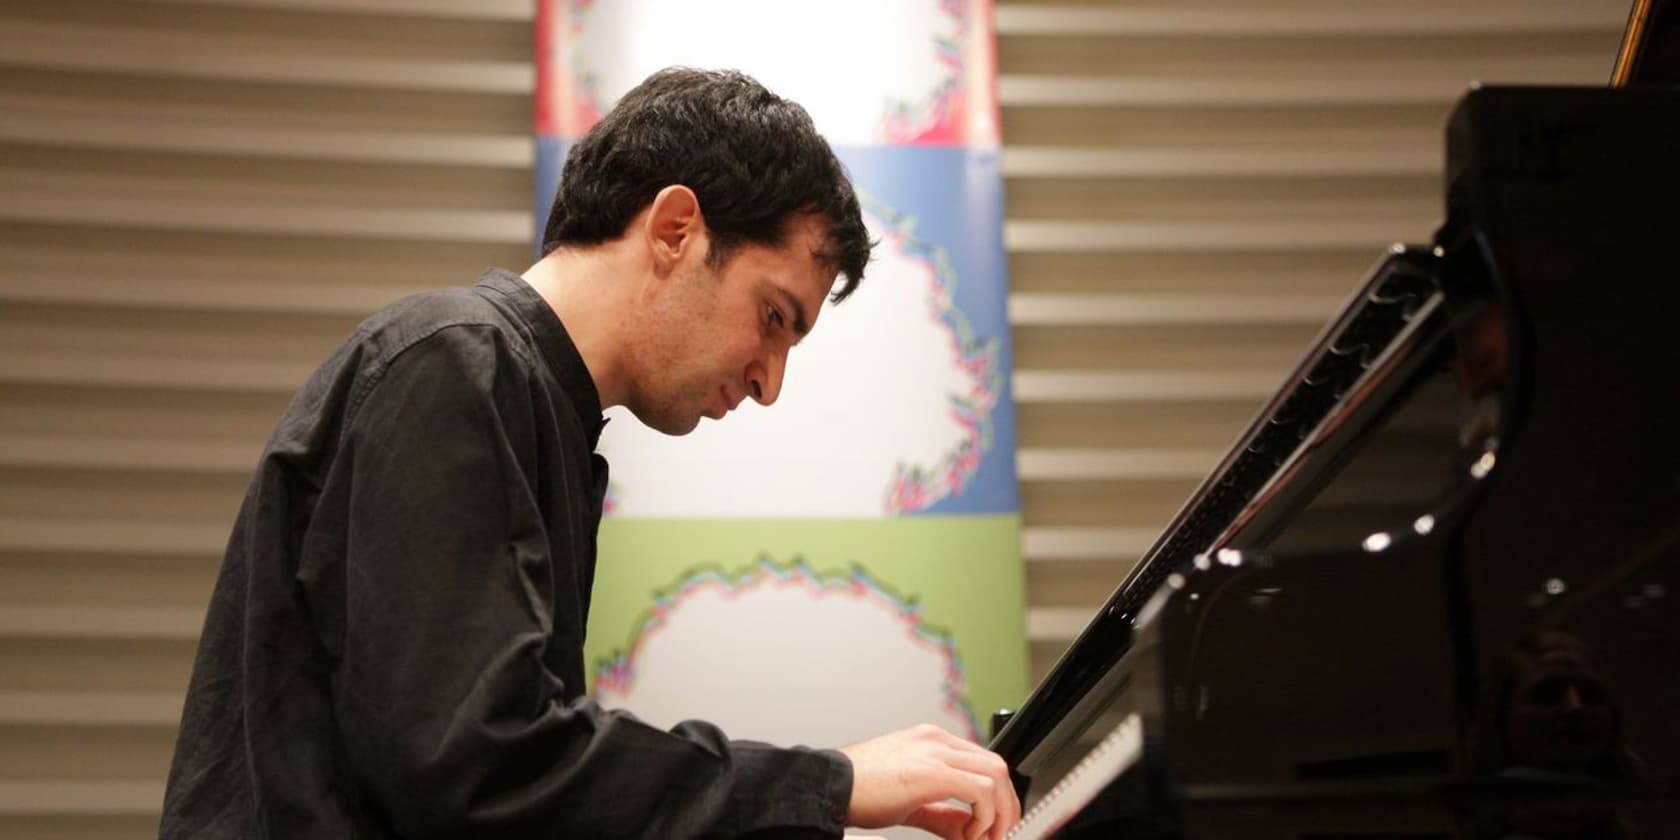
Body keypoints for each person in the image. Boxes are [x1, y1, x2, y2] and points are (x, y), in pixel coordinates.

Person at [160, 67, 1020, 839]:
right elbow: (477, 767)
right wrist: (830, 784)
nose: (770, 384)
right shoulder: (454, 364)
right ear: (676, 228)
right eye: (773, 317)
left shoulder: (527, 402)